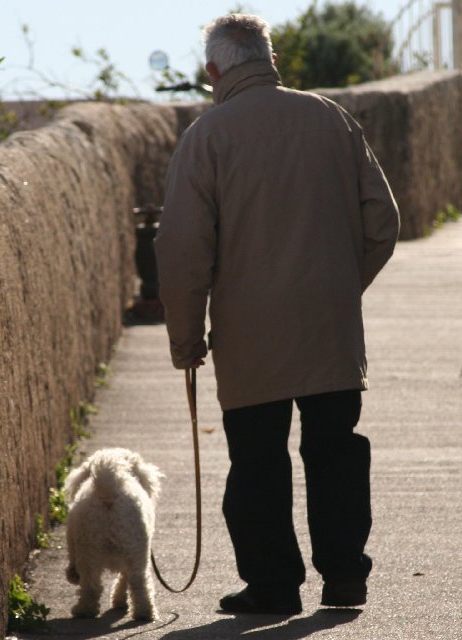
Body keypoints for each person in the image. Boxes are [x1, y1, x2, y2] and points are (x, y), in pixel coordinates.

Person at [154, 13, 400, 615]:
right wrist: (338, 291)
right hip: (329, 330)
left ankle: (273, 586)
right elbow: (382, 224)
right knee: (335, 450)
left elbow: (183, 250)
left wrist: (186, 340)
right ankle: (345, 579)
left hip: (249, 336)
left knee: (258, 461)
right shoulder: (331, 118)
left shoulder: (207, 138)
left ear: (214, 70)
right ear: (271, 58)